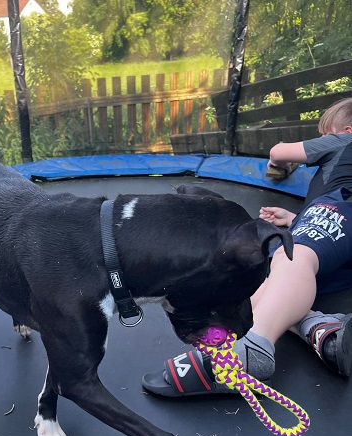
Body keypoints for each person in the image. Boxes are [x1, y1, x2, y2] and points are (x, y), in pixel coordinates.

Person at [142, 97, 352, 396]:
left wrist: (280, 163)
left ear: (346, 130)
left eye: (324, 134)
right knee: (271, 280)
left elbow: (279, 152)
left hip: (339, 205)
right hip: (340, 244)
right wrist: (296, 219)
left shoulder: (344, 141)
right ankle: (317, 328)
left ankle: (254, 350)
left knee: (292, 256)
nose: (321, 139)